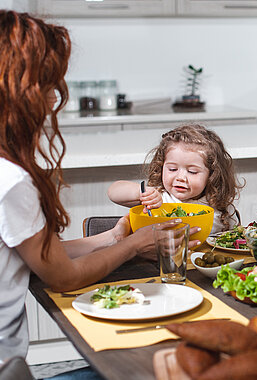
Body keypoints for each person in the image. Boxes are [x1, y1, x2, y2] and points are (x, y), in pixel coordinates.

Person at [0, 10, 195, 372]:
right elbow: (62, 277)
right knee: (147, 368)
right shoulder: (10, 181)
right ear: (20, 90)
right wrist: (135, 244)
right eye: (49, 84)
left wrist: (111, 237)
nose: (54, 98)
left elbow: (39, 256)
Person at [108, 124, 243, 234]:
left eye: (192, 171)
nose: (181, 178)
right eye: (172, 169)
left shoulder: (220, 207)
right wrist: (140, 192)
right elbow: (114, 192)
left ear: (212, 175)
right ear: (162, 166)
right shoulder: (159, 199)